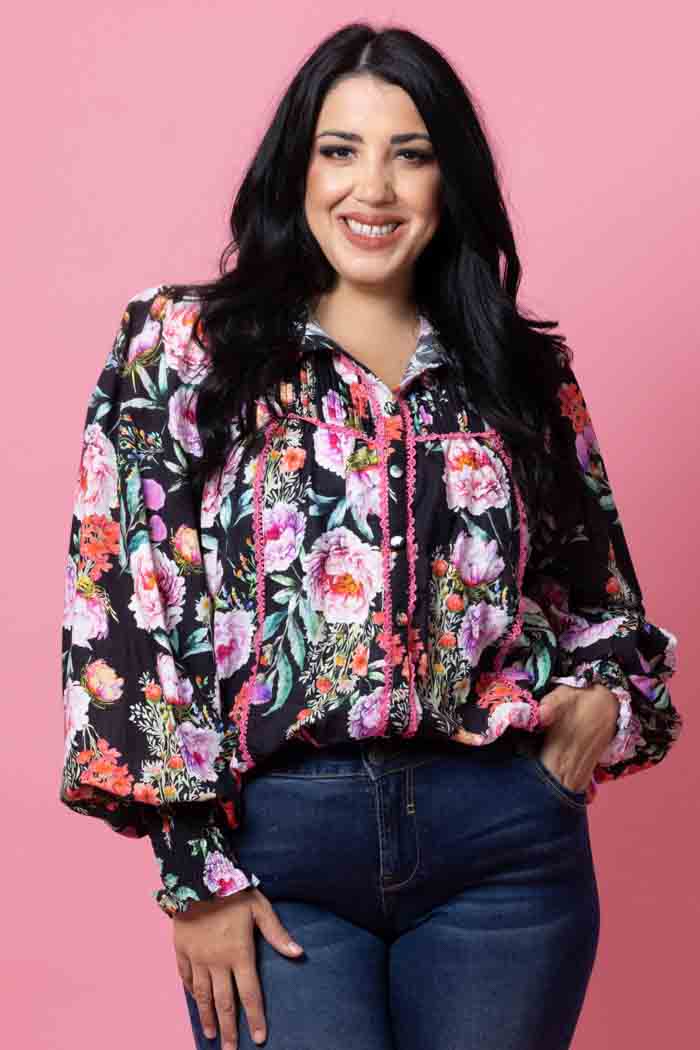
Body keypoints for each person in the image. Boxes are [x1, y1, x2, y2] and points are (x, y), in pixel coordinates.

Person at [59, 21, 682, 1050]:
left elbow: (598, 598)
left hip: (503, 851)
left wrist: (601, 704)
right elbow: (126, 604)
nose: (373, 189)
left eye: (410, 154)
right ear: (297, 170)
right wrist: (192, 873)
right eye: (340, 150)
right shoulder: (187, 346)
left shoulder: (518, 370)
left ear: (450, 179)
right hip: (275, 851)